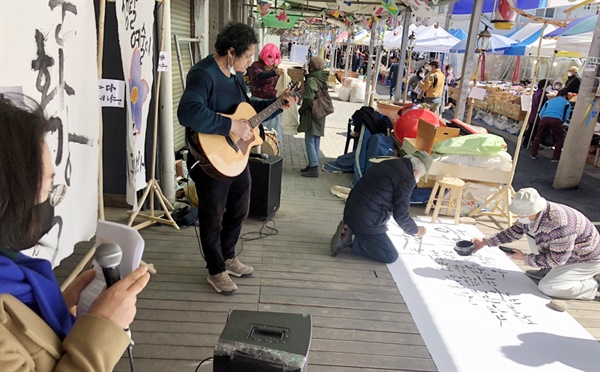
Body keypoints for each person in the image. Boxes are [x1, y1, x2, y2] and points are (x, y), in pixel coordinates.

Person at [0, 93, 151, 370]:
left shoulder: (12, 272)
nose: (50, 203)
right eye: (45, 191)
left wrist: (55, 309)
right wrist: (103, 328)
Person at [177, 22, 296, 295]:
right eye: (247, 55)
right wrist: (229, 126)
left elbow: (248, 110)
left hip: (235, 157)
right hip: (210, 159)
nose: (251, 60)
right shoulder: (203, 74)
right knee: (212, 216)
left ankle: (228, 256)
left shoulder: (234, 76)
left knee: (241, 207)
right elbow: (188, 112)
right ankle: (215, 269)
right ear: (231, 52)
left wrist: (278, 105)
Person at [471, 188, 599, 301]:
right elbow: (514, 232)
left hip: (585, 259)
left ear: (535, 208)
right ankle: (547, 270)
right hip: (564, 252)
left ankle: (592, 286)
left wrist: (526, 259)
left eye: (522, 213)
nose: (519, 216)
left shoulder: (560, 225)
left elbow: (557, 260)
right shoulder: (534, 214)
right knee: (532, 233)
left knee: (548, 287)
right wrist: (485, 242)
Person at [330, 151, 433, 263]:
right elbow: (400, 213)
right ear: (416, 171)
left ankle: (350, 229)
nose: (418, 179)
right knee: (390, 255)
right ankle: (351, 238)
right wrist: (415, 229)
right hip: (365, 218)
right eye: (420, 176)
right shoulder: (407, 179)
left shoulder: (392, 163)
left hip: (352, 210)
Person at [298, 57, 330, 178]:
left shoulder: (312, 79)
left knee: (309, 140)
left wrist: (301, 110)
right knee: (316, 140)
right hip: (321, 112)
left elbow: (308, 99)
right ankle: (313, 163)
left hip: (313, 112)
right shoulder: (322, 77)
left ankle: (313, 166)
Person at [248, 43, 284, 146]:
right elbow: (260, 76)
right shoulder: (256, 65)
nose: (272, 60)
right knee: (257, 134)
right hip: (257, 103)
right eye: (269, 56)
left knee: (272, 137)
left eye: (275, 57)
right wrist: (274, 73)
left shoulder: (275, 68)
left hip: (272, 104)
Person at [530, 89, 570, 162]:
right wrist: (561, 121)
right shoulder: (566, 103)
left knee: (538, 136)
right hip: (557, 120)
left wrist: (543, 119)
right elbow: (566, 115)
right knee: (559, 139)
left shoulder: (549, 101)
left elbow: (541, 113)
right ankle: (555, 157)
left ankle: (533, 153)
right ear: (565, 96)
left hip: (544, 118)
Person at [523, 79, 549, 148]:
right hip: (537, 116)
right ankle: (531, 144)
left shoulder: (537, 93)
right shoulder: (542, 95)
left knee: (531, 129)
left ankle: (526, 143)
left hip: (533, 114)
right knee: (535, 131)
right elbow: (543, 105)